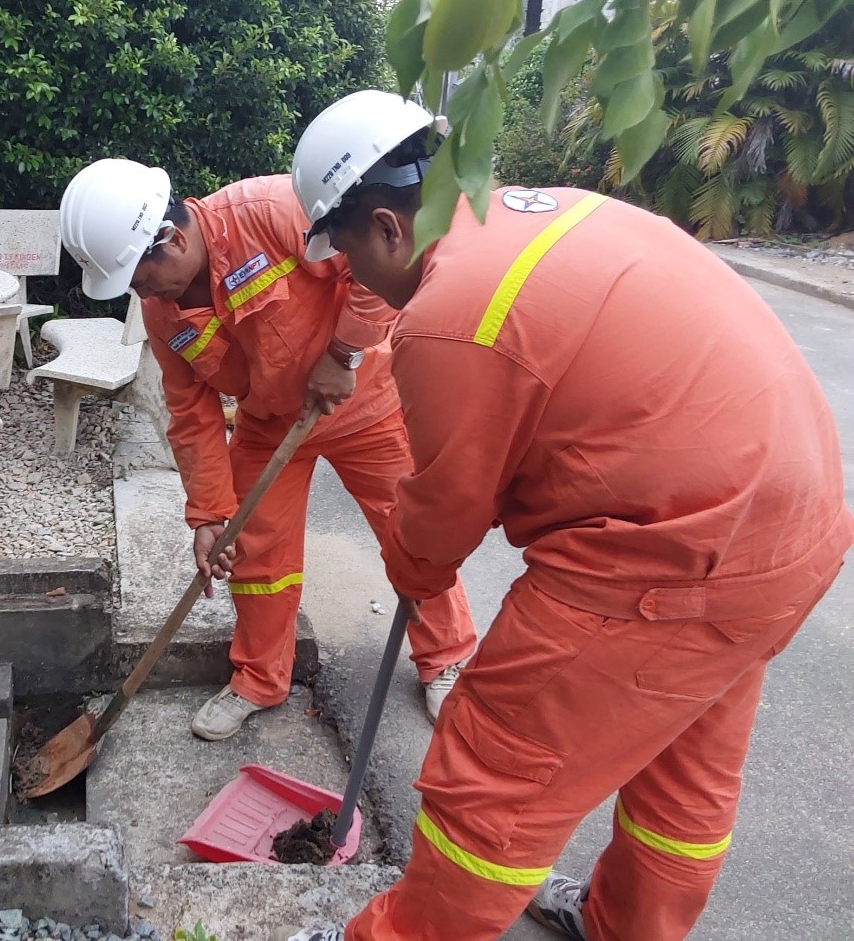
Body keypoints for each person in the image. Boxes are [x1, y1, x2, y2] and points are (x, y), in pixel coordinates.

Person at [276, 89, 854, 941]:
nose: (351, 278)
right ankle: (622, 927)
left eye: (347, 255)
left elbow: (446, 511)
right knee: (681, 766)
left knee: (493, 774)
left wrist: (411, 563)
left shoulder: (450, 314)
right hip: (792, 535)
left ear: (387, 228)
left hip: (667, 561)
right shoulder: (558, 213)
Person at [58, 158, 479, 739]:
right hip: (268, 424)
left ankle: (447, 657)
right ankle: (259, 677)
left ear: (172, 239)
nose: (141, 293)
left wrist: (343, 354)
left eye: (140, 277)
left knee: (412, 533)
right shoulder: (162, 314)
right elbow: (191, 415)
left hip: (364, 403)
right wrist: (208, 515)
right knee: (255, 554)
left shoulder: (274, 211)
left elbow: (383, 264)